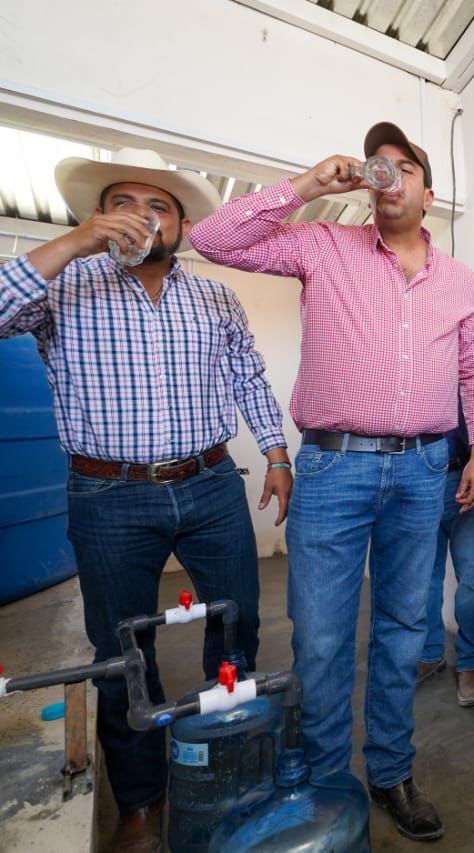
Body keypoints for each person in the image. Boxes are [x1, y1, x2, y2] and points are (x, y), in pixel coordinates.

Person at [190, 121, 474, 844]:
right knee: (322, 637)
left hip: (424, 468)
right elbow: (211, 239)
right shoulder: (324, 243)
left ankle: (390, 770)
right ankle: (326, 787)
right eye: (377, 165)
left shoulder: (457, 279)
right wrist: (308, 185)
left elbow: (472, 368)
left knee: (403, 631)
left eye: (404, 167)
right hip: (334, 467)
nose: (388, 175)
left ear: (428, 192)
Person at [0, 147, 289, 852]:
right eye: (122, 203)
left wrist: (277, 454)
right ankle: (141, 800)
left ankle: (227, 756)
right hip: (108, 496)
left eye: (158, 205)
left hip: (211, 483)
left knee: (239, 622)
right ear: (97, 215)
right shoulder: (62, 285)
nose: (141, 217)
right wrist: (76, 243)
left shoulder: (216, 297)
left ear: (182, 225)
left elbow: (249, 377)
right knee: (122, 649)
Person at [417, 275, 474, 707]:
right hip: (418, 478)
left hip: (467, 478)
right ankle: (429, 653)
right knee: (423, 577)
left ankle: (471, 662)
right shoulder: (417, 342)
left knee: (472, 579)